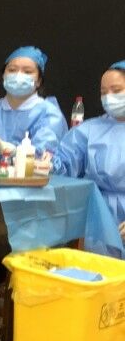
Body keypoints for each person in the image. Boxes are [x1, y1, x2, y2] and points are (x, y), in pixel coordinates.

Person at [53, 60, 125, 256]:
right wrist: (44, 164)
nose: (109, 97)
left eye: (116, 90)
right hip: (98, 218)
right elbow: (63, 163)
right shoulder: (90, 130)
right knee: (97, 270)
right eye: (103, 92)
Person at [0, 45, 68, 157]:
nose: (18, 75)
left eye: (27, 72)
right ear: (3, 76)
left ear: (39, 81)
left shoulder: (49, 115)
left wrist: (6, 149)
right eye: (12, 70)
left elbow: (42, 157)